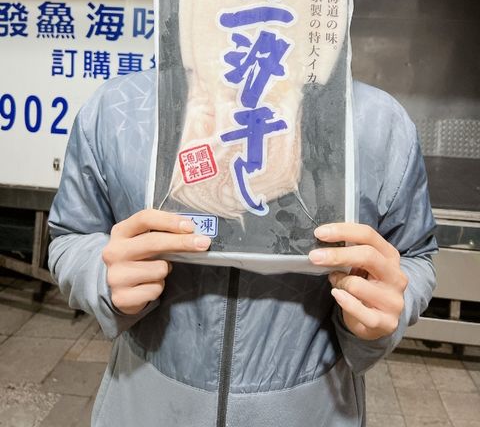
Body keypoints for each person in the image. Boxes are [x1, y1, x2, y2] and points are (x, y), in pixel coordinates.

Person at [48, 68, 437, 427]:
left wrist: (382, 305)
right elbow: (71, 234)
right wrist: (103, 276)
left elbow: (414, 254)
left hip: (315, 409)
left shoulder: (376, 121)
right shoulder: (121, 107)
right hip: (144, 403)